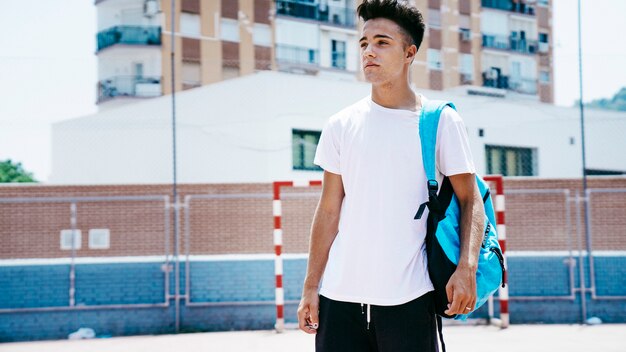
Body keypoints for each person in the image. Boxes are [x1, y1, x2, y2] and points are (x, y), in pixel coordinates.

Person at [296, 0, 485, 351]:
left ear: (409, 52)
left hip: (409, 298)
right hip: (339, 299)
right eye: (364, 43)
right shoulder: (340, 125)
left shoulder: (440, 121)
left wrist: (466, 268)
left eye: (382, 42)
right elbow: (328, 211)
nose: (369, 51)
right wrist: (311, 286)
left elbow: (470, 199)